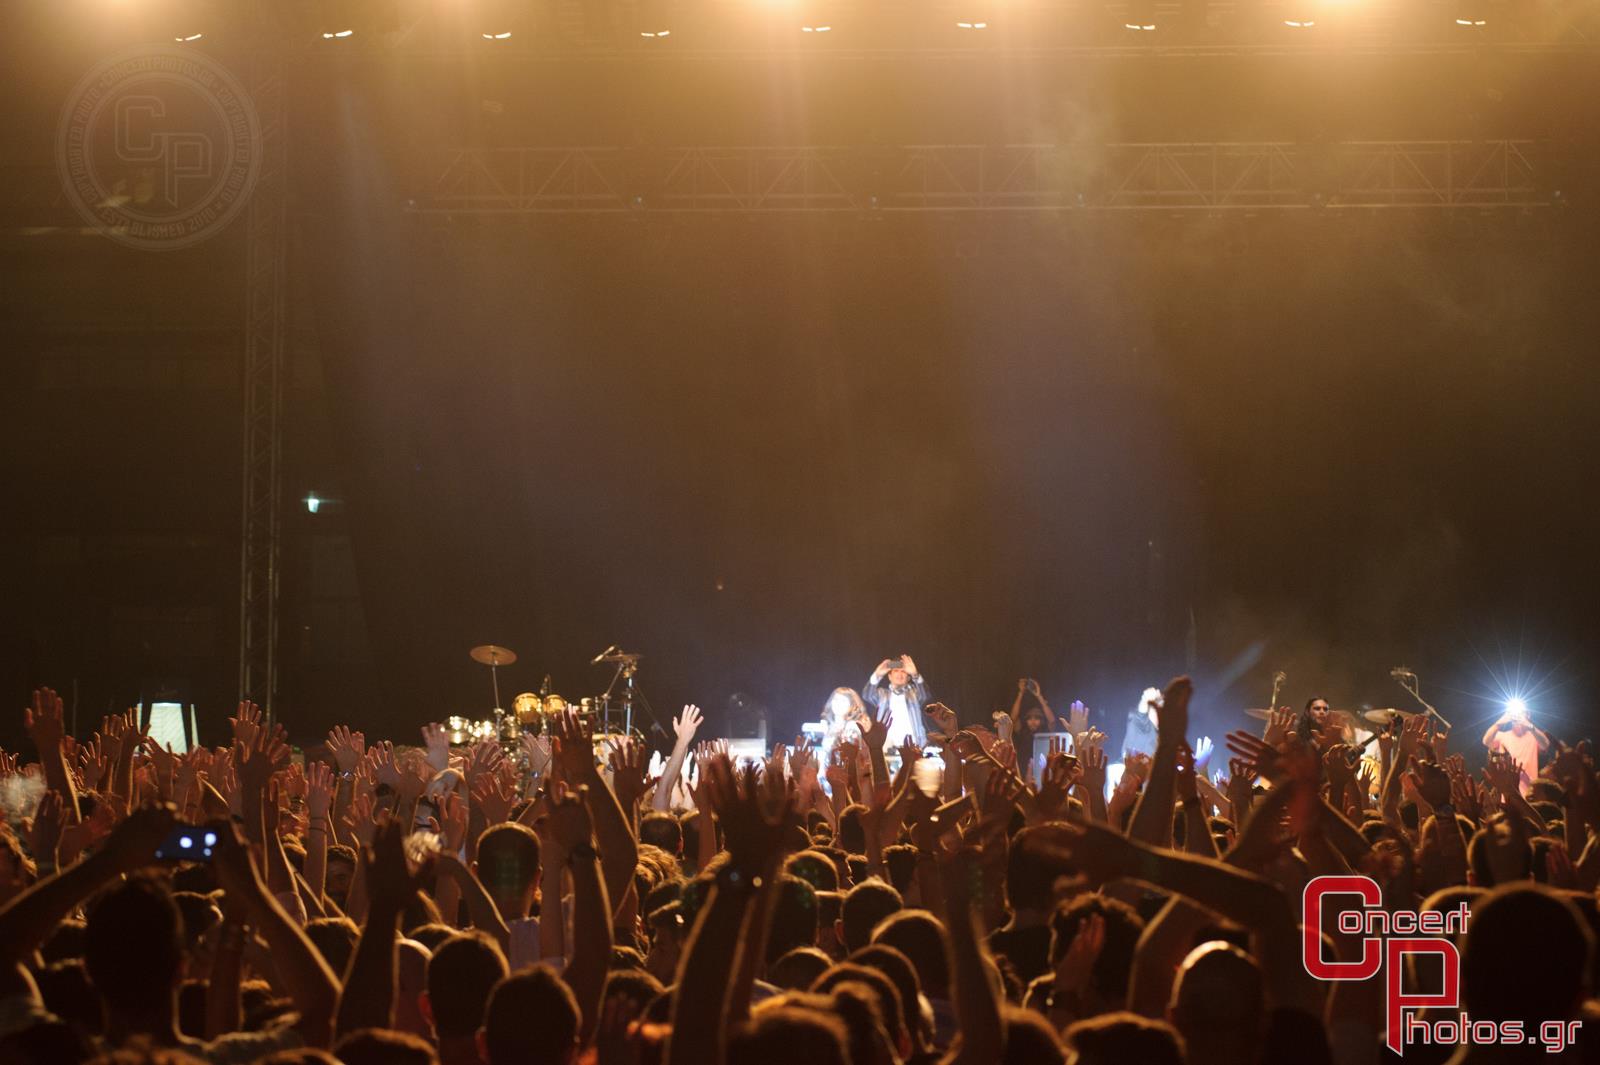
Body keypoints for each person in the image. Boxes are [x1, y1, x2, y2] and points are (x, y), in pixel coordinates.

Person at [1481, 702, 1550, 796]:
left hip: (1532, 792)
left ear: (1528, 715)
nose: (1517, 715)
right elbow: (1486, 741)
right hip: (1509, 792)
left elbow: (1545, 744)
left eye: (1521, 712)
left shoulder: (1534, 736)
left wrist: (1529, 725)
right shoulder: (1502, 736)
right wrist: (1499, 723)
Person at [862, 656, 927, 748]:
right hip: (887, 746)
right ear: (889, 676)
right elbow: (867, 695)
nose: (899, 674)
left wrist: (915, 675)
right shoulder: (883, 694)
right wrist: (876, 675)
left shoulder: (914, 694)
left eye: (903, 671)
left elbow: (925, 695)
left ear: (908, 678)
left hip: (913, 746)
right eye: (896, 671)